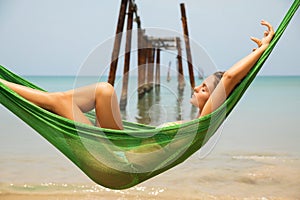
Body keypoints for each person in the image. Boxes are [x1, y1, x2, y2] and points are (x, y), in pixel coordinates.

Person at [0, 20, 274, 130]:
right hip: (122, 147)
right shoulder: (198, 121)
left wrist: (261, 50)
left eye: (203, 88)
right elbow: (226, 81)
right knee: (101, 91)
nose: (195, 88)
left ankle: (4, 86)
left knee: (63, 101)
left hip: (118, 159)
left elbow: (228, 80)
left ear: (215, 99)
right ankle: (10, 88)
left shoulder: (206, 119)